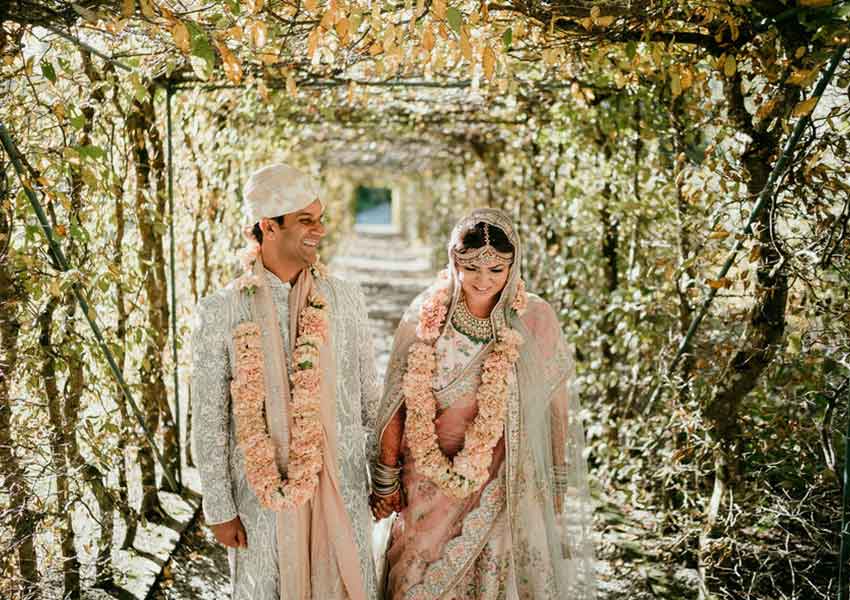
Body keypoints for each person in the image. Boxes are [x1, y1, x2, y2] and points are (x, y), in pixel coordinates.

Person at [369, 208, 596, 599]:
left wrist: (556, 479)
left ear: (514, 264)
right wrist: (385, 478)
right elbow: (397, 404)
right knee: (415, 579)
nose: (483, 280)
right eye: (471, 267)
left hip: (507, 479)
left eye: (496, 269)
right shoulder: (425, 316)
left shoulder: (535, 319)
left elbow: (555, 407)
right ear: (453, 261)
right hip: (427, 479)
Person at [191, 163, 379, 600]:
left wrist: (384, 478)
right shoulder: (222, 310)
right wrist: (218, 506)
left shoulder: (346, 299)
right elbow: (209, 418)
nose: (320, 230)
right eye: (305, 220)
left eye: (320, 218)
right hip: (261, 497)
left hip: (342, 487)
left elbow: (371, 397)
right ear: (267, 227)